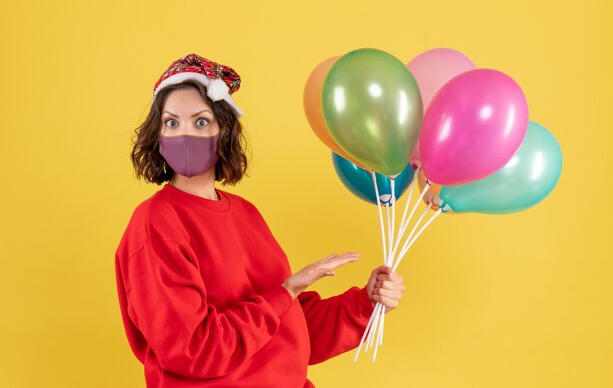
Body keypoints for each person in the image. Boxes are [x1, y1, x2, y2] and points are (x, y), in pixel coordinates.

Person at [114, 53, 406, 388]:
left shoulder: (245, 213)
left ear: (224, 130)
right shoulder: (155, 223)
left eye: (200, 122)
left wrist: (364, 303)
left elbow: (289, 328)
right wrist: (286, 291)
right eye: (171, 122)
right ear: (157, 134)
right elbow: (194, 349)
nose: (185, 135)